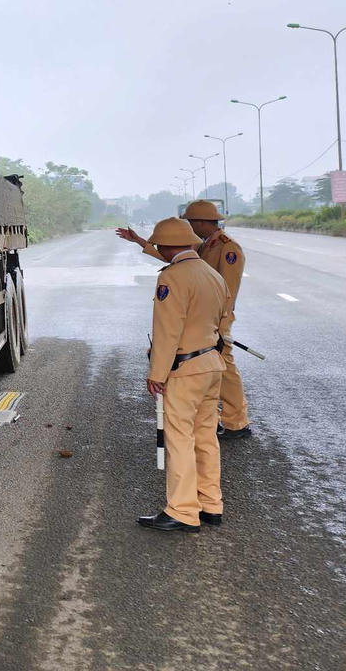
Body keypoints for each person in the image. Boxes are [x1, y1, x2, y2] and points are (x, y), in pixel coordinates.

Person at [116, 199, 250, 439]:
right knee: (217, 370)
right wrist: (139, 241)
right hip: (201, 317)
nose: (188, 226)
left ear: (201, 222)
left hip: (214, 320)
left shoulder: (228, 248)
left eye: (190, 221)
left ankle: (237, 422)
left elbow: (227, 291)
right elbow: (176, 257)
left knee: (225, 370)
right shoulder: (205, 245)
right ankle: (219, 419)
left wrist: (220, 327)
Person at [138, 217, 230, 533]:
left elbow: (167, 330)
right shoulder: (213, 274)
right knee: (206, 437)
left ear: (164, 247)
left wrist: (157, 373)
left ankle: (181, 511)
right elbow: (224, 320)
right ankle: (210, 504)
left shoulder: (173, 278)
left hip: (184, 369)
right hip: (212, 365)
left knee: (179, 439)